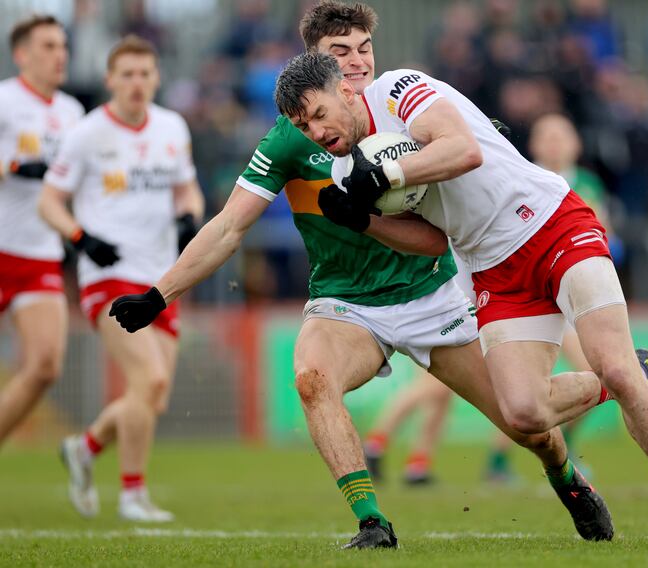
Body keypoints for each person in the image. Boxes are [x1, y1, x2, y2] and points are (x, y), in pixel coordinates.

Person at [108, 1, 616, 549]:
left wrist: (368, 219)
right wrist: (160, 294)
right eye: (340, 53)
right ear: (315, 67)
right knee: (312, 379)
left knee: (527, 425)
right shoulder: (290, 137)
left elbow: (435, 239)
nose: (356, 63)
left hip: (434, 293)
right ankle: (372, 523)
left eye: (363, 50)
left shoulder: (406, 111)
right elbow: (229, 227)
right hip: (346, 302)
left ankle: (570, 474)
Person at [272, 51, 648, 546]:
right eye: (301, 126)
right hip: (491, 269)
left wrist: (388, 177)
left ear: (346, 92)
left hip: (551, 223)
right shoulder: (342, 173)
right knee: (524, 414)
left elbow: (464, 149)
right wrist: (364, 221)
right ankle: (633, 373)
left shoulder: (399, 91)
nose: (314, 131)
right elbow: (432, 241)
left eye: (317, 114)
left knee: (612, 365)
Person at [38, 35, 204, 522]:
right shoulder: (88, 133)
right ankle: (132, 495)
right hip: (107, 276)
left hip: (160, 281)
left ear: (157, 78)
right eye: (126, 74)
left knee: (153, 394)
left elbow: (186, 187)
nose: (136, 83)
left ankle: (85, 448)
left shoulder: (172, 126)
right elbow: (50, 200)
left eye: (144, 74)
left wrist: (189, 216)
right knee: (148, 379)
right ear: (110, 80)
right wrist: (80, 237)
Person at [0, 15, 84, 447]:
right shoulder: (5, 100)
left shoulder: (72, 113)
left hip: (39, 256)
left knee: (46, 365)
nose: (59, 54)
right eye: (48, 46)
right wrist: (13, 166)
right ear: (21, 54)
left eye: (62, 46)